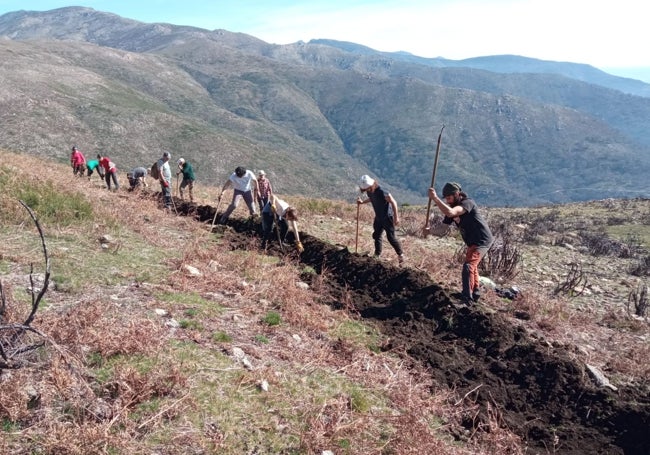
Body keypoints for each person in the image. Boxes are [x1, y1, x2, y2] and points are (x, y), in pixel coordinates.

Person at [428, 182, 494, 304]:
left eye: (449, 198)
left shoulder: (467, 203)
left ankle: (466, 298)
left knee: (468, 267)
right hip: (472, 242)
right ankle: (475, 292)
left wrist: (435, 199)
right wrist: (429, 231)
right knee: (471, 266)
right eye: (446, 199)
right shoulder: (452, 206)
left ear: (457, 194)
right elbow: (443, 229)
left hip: (482, 240)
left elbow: (451, 213)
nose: (447, 201)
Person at [357, 175, 404, 264]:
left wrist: (396, 217)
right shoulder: (369, 191)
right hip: (378, 217)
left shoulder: (382, 191)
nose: (367, 190)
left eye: (368, 188)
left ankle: (400, 255)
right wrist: (362, 202)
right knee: (376, 235)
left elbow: (394, 202)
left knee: (391, 237)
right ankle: (377, 254)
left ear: (372, 185)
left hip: (387, 217)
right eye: (366, 189)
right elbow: (371, 198)